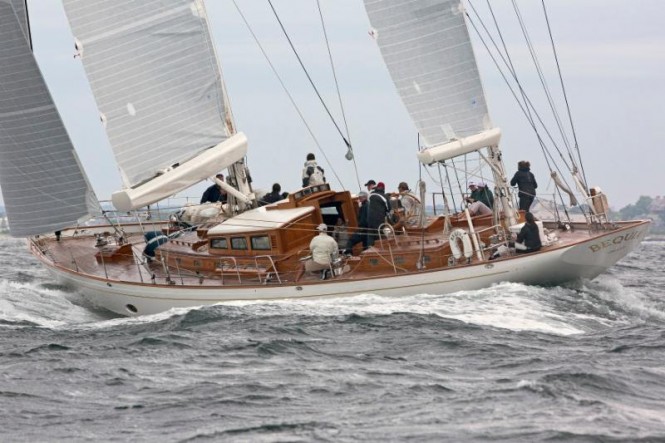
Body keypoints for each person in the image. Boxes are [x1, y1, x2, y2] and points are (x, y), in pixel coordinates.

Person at [366, 182, 390, 247]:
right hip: (379, 220)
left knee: (370, 236)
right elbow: (389, 209)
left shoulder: (371, 195)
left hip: (370, 220)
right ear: (383, 188)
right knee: (379, 237)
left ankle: (369, 251)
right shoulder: (385, 197)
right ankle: (380, 251)